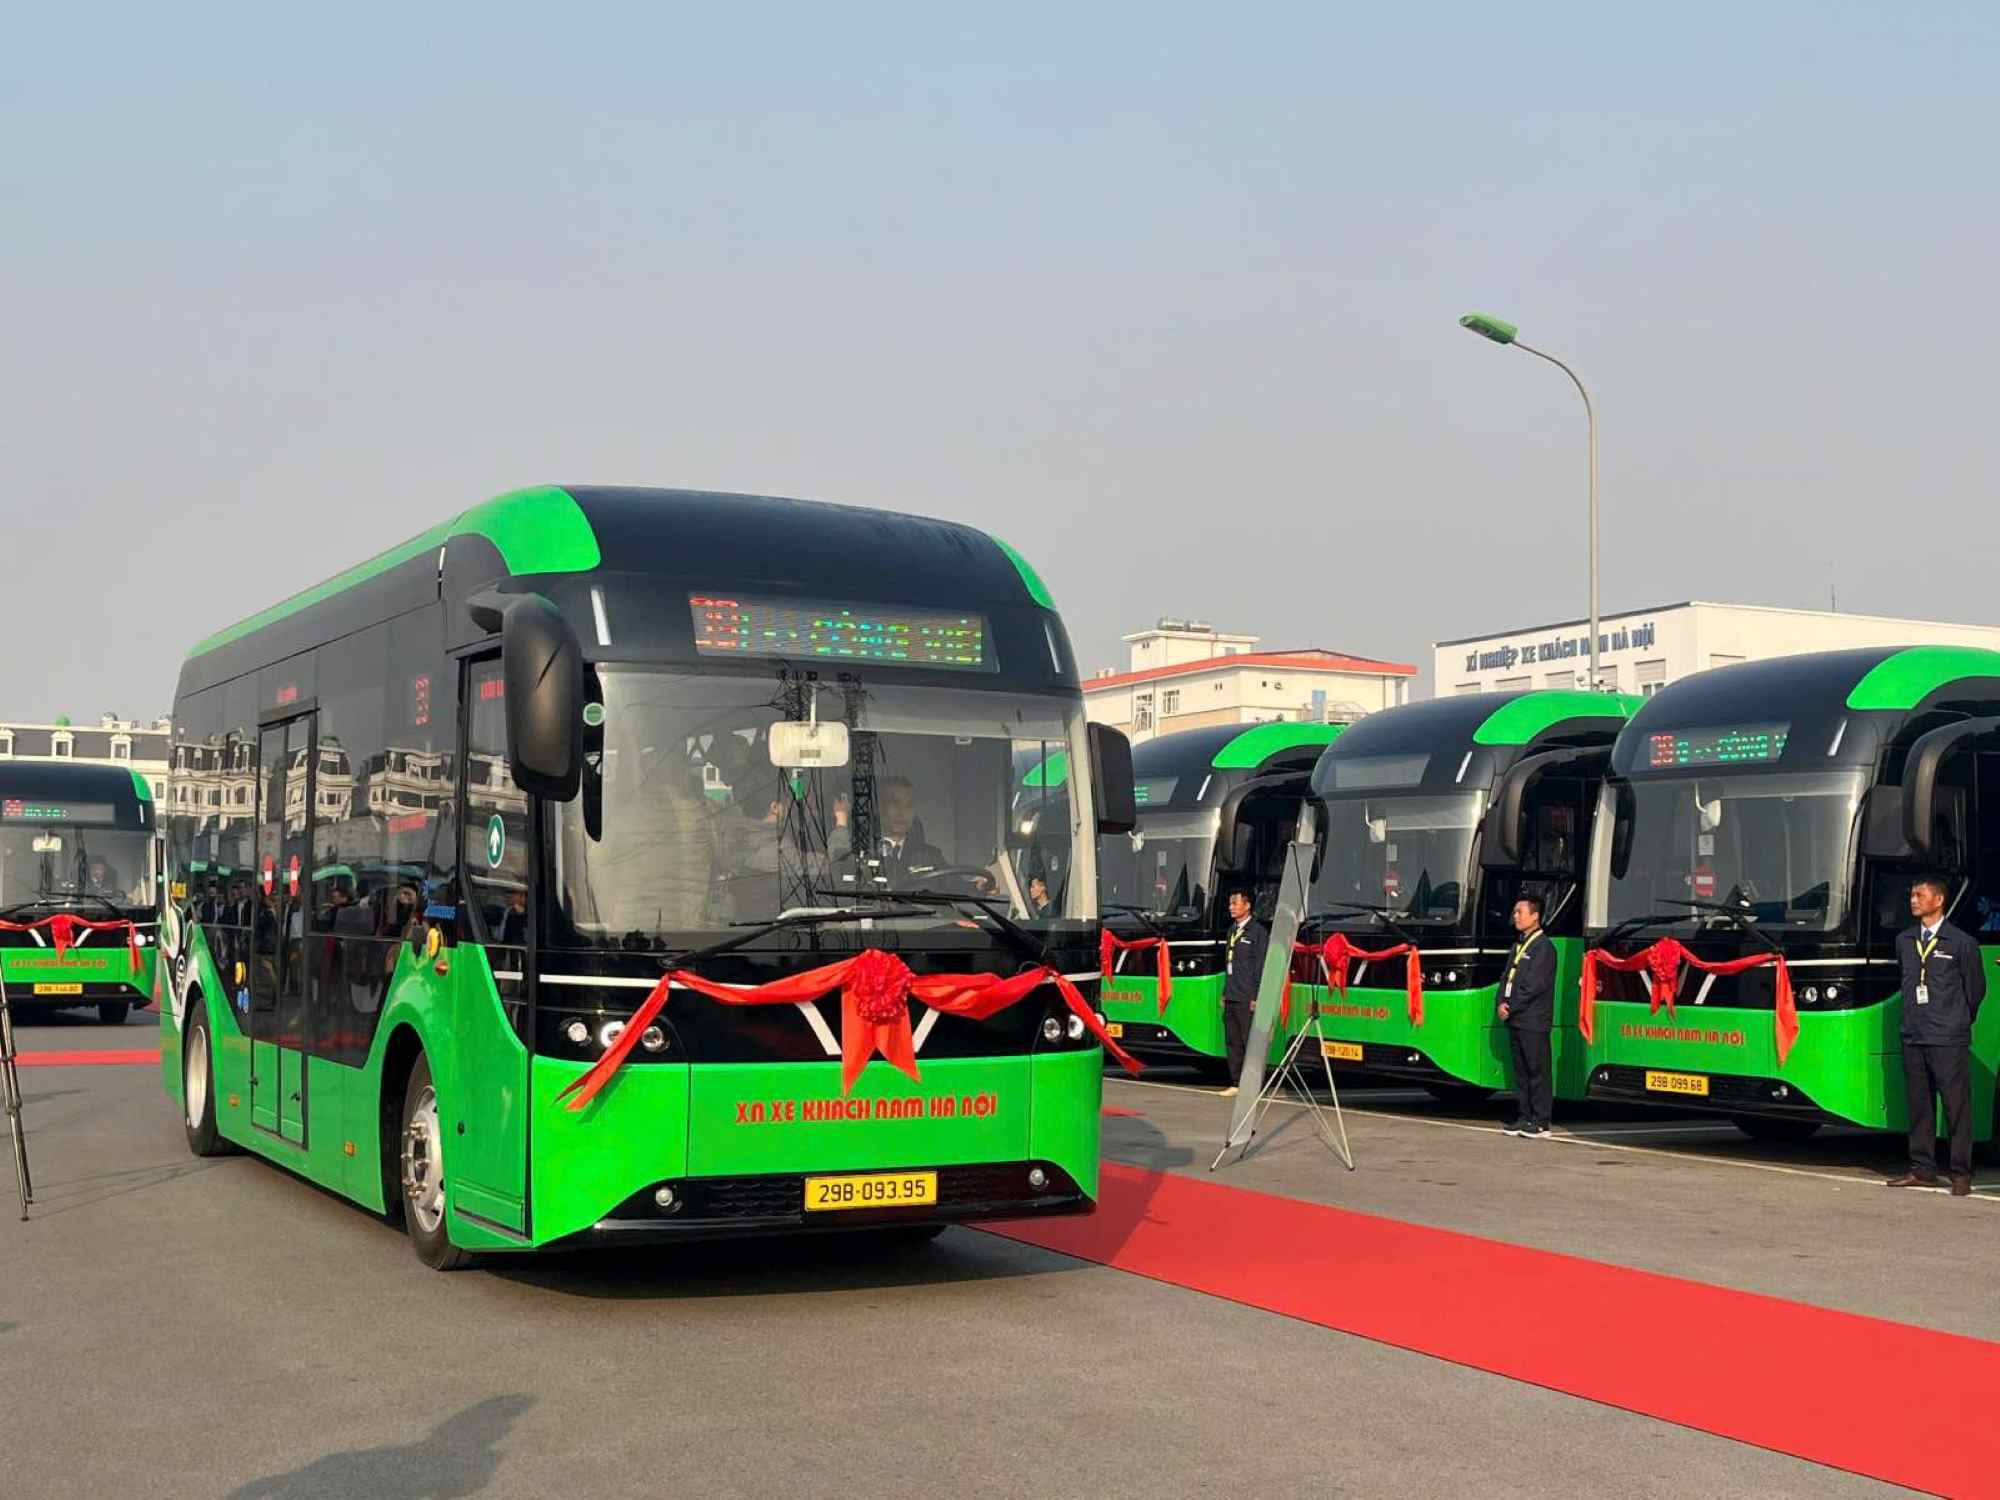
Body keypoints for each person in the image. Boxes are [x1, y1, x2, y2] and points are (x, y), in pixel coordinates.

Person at [1888, 875, 1985, 1195]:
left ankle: (1961, 1174)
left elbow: (1975, 989)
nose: (1913, 900)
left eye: (1920, 895)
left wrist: (1958, 1021)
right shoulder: (1904, 940)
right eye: (1912, 895)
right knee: (1920, 1106)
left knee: (1957, 1107)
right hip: (1914, 1034)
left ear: (1938, 900)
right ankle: (1922, 1169)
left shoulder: (1961, 943)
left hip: (1948, 1037)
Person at [1496, 892, 1558, 1138]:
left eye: (1520, 912)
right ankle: (1524, 1117)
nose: (1515, 917)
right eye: (1515, 912)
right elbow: (1506, 978)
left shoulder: (1544, 948)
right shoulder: (1519, 945)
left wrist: (1511, 1006)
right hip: (1516, 1018)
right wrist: (1500, 1002)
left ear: (1535, 916)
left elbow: (1533, 986)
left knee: (1537, 1071)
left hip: (1533, 1020)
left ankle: (1541, 1121)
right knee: (1520, 1072)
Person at [1218, 887, 1268, 1097]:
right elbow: (1228, 964)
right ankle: (1236, 1082)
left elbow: (1260, 966)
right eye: (1230, 904)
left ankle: (1254, 1084)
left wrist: (1256, 996)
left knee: (1250, 1042)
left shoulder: (1258, 932)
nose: (1231, 907)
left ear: (1247, 906)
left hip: (1247, 997)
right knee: (1233, 1041)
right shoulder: (1232, 930)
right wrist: (1224, 992)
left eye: (1235, 903)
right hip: (1232, 994)